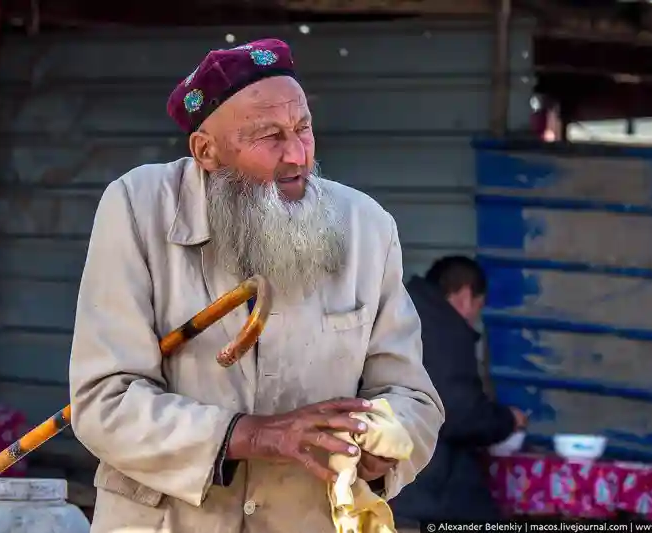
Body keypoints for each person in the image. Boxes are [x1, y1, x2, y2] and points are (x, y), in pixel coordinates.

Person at [68, 38, 444, 533]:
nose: (297, 156)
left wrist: (382, 447)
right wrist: (251, 435)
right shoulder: (139, 208)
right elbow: (103, 401)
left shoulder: (367, 227)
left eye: (303, 128)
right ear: (206, 151)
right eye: (269, 136)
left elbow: (413, 399)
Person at [390, 256, 527, 528]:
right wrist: (508, 420)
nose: (474, 318)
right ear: (465, 296)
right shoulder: (444, 331)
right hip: (425, 490)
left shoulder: (403, 314)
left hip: (390, 479)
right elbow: (459, 412)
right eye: (478, 307)